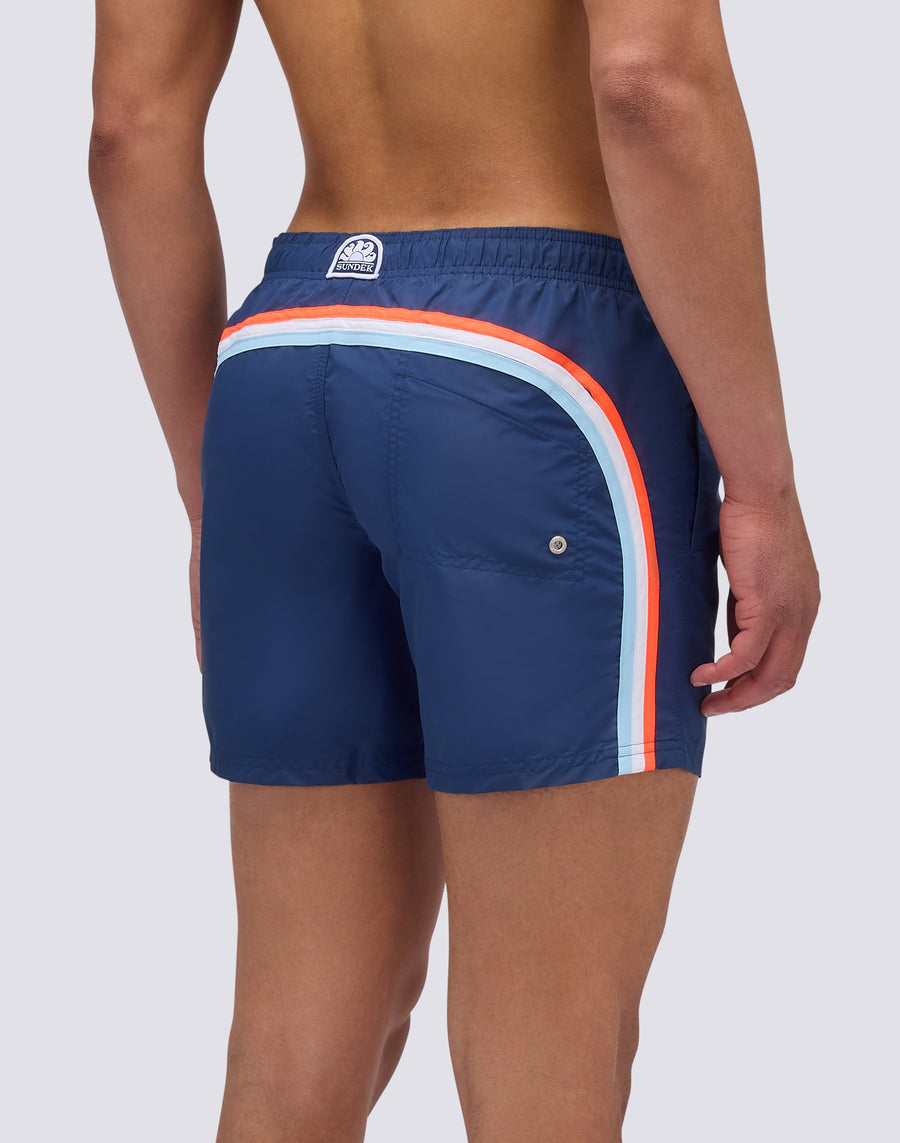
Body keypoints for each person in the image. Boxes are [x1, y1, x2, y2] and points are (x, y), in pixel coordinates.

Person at [88, 0, 820, 1138]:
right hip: (539, 367)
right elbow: (649, 81)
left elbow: (128, 131)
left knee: (296, 1043)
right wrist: (762, 487)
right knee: (551, 1045)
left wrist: (206, 491)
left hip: (286, 357)